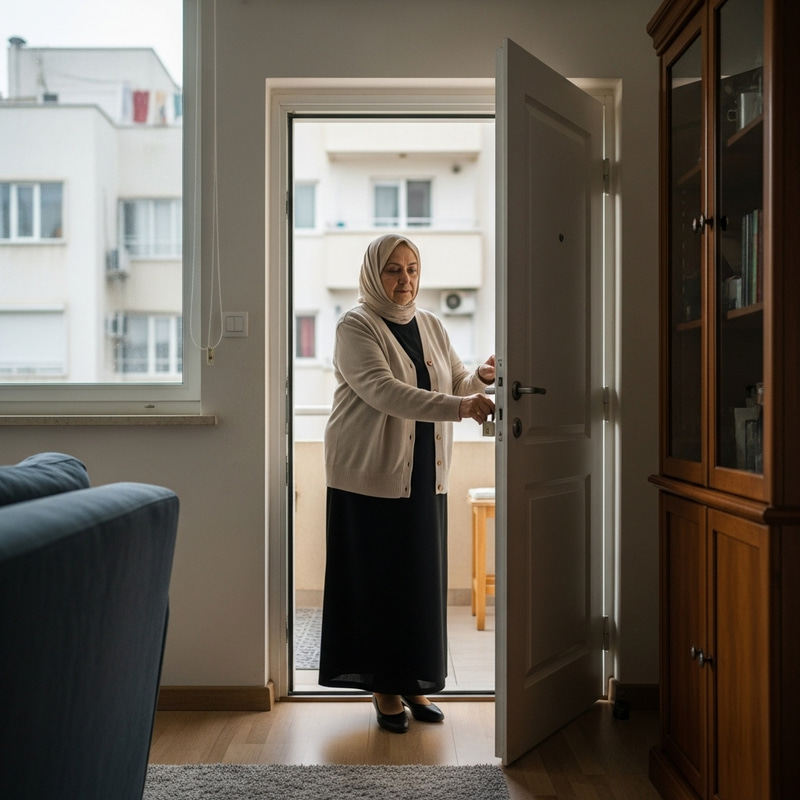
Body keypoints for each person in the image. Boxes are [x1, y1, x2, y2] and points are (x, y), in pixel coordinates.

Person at [318, 233, 495, 734]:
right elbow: (384, 391)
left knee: (416, 581)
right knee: (377, 582)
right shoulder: (356, 324)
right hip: (369, 473)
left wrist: (479, 379)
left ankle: (412, 681)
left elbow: (455, 380)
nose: (405, 279)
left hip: (423, 472)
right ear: (375, 273)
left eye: (412, 268)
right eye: (394, 269)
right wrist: (460, 407)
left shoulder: (432, 323)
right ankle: (384, 687)